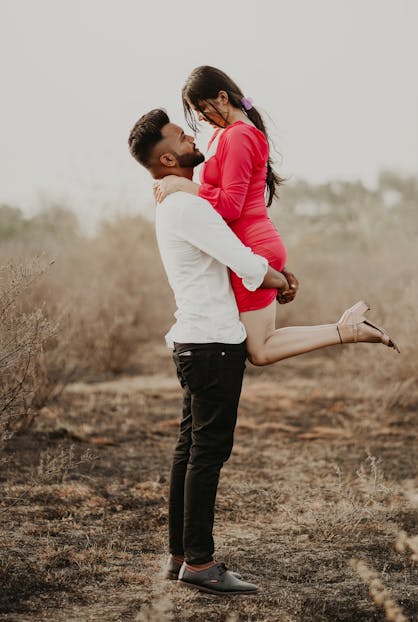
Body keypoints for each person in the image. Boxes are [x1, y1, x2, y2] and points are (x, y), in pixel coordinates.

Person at [128, 108, 296, 595]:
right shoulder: (188, 207)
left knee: (190, 451)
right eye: (181, 135)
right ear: (167, 157)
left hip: (195, 341)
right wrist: (281, 280)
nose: (191, 136)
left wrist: (271, 277)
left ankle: (180, 556)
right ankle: (200, 564)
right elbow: (244, 261)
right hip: (213, 345)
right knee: (207, 454)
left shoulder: (174, 204)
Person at [154, 65, 399, 363]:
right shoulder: (224, 135)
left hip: (251, 246)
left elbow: (230, 205)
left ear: (221, 98)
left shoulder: (240, 136)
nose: (201, 118)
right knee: (261, 343)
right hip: (247, 246)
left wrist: (183, 186)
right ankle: (346, 329)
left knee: (261, 348)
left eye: (201, 109)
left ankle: (348, 330)